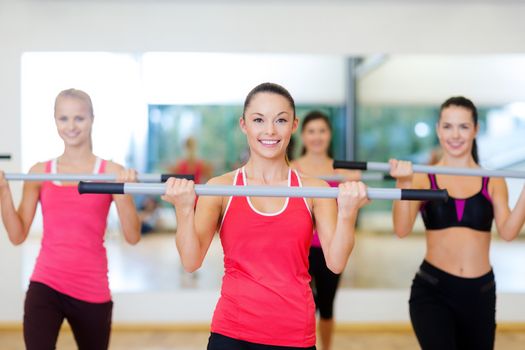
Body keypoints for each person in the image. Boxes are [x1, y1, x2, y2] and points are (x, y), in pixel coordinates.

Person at [162, 83, 369, 350]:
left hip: (294, 333)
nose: (269, 130)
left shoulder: (314, 190)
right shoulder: (221, 187)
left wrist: (348, 213)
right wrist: (183, 209)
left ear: (293, 125)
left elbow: (336, 263)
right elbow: (190, 262)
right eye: (258, 120)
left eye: (280, 120)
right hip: (232, 332)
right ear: (244, 125)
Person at [0, 88, 141, 350]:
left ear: (92, 118)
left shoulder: (112, 172)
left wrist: (126, 193)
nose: (71, 126)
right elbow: (17, 235)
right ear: (55, 121)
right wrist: (3, 192)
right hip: (46, 282)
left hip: (92, 287)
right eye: (63, 118)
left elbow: (133, 237)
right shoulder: (39, 173)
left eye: (79, 118)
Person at [390, 96, 525, 350]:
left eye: (463, 126)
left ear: (475, 129)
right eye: (448, 126)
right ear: (439, 129)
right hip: (433, 291)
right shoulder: (422, 178)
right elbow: (401, 229)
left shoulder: (492, 180)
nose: (455, 135)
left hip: (480, 293)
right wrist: (403, 183)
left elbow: (508, 232)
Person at [290, 111, 360, 350]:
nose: (317, 136)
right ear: (303, 135)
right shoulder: (291, 169)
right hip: (300, 249)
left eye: (322, 131)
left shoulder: (344, 172)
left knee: (327, 307)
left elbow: (353, 208)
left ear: (329, 135)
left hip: (332, 248)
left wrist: (356, 187)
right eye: (311, 131)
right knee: (302, 307)